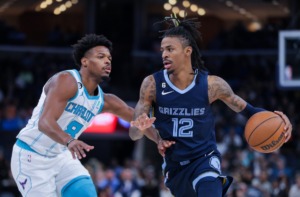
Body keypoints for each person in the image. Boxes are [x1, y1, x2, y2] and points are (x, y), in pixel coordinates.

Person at [129, 17, 293, 197]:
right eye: (162, 50)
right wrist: (139, 127)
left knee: (210, 185)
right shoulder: (152, 84)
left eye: (170, 49)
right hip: (175, 167)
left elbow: (250, 111)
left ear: (187, 51)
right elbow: (133, 134)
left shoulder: (212, 85)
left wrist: (279, 121)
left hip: (205, 159)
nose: (164, 54)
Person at [10, 34, 147, 197]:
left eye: (109, 58)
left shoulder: (106, 101)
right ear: (85, 61)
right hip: (31, 156)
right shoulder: (66, 80)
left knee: (86, 193)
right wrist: (70, 140)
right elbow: (44, 122)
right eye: (101, 56)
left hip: (61, 156)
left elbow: (140, 119)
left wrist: (160, 140)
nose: (108, 61)